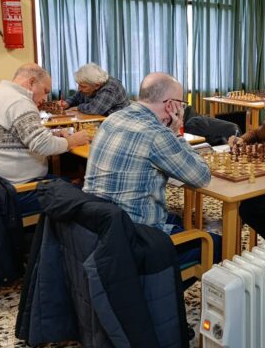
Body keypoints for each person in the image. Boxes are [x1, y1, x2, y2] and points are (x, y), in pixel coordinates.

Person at [83, 72, 220, 266]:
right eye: (181, 103)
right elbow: (201, 176)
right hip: (135, 242)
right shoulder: (157, 134)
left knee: (175, 218)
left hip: (96, 229)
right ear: (170, 105)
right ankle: (168, 282)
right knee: (215, 243)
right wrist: (177, 134)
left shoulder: (112, 119)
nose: (182, 108)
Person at [0, 64, 90, 213]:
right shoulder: (19, 101)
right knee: (85, 192)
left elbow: (18, 135)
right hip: (15, 191)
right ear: (32, 82)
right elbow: (43, 146)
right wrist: (73, 141)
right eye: (45, 91)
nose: (45, 98)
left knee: (68, 181)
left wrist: (52, 135)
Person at [229, 94, 265, 240]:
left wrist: (255, 148)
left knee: (248, 209)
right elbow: (257, 133)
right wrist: (242, 139)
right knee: (246, 204)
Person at [61, 63, 129, 115]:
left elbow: (94, 110)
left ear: (97, 85)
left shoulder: (110, 88)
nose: (79, 89)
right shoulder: (91, 84)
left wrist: (78, 108)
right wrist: (67, 103)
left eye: (83, 86)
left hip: (115, 120)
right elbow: (77, 97)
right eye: (79, 85)